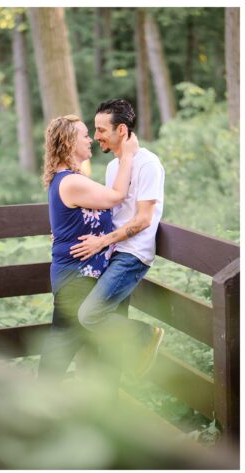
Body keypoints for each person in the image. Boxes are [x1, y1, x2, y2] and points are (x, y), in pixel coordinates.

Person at [69, 99, 166, 377]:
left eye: (101, 130)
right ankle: (112, 383)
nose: (96, 135)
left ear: (121, 130)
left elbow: (144, 219)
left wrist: (101, 242)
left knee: (89, 315)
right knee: (96, 316)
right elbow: (110, 210)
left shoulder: (149, 164)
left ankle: (145, 335)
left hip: (132, 255)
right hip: (112, 252)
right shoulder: (115, 167)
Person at [37, 114, 137, 382]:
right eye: (84, 135)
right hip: (76, 278)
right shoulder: (70, 181)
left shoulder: (71, 179)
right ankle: (36, 411)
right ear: (69, 142)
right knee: (59, 350)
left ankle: (94, 410)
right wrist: (126, 156)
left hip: (87, 275)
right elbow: (116, 196)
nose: (90, 139)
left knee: (91, 352)